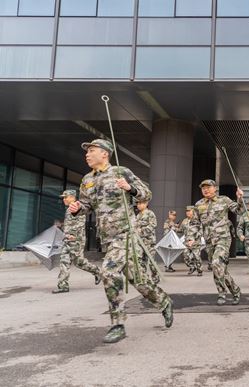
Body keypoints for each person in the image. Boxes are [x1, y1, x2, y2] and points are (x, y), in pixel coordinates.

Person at [69, 139, 173, 343]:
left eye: (92, 151)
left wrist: (130, 189)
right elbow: (87, 204)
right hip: (107, 238)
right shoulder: (87, 179)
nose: (87, 155)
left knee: (108, 272)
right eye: (87, 152)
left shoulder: (121, 172)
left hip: (125, 235)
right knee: (140, 282)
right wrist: (78, 209)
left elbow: (146, 194)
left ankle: (117, 324)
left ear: (105, 154)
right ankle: (164, 302)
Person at [192, 179, 244, 305]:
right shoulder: (199, 204)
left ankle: (221, 293)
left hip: (223, 238)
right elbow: (195, 223)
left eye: (208, 187)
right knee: (218, 269)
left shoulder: (224, 200)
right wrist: (192, 238)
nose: (206, 189)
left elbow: (239, 211)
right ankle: (235, 290)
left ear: (215, 188)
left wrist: (240, 199)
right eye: (203, 187)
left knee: (216, 263)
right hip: (209, 241)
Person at [52, 190, 101, 294]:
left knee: (79, 262)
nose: (64, 199)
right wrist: (61, 226)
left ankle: (97, 271)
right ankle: (63, 285)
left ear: (72, 197)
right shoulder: (69, 209)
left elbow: (79, 224)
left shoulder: (77, 207)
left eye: (66, 197)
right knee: (64, 261)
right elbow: (70, 224)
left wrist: (73, 235)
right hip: (67, 239)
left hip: (75, 240)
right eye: (63, 198)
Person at [135, 198, 160, 283]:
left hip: (149, 241)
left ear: (146, 204)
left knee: (151, 261)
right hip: (140, 242)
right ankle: (144, 277)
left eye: (140, 203)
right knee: (141, 261)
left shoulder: (150, 213)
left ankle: (155, 276)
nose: (138, 205)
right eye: (137, 203)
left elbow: (153, 225)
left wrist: (141, 231)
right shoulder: (138, 215)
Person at [180, 206, 203, 276]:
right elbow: (181, 230)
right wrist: (173, 228)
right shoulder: (184, 221)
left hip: (195, 242)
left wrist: (194, 240)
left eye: (189, 211)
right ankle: (192, 267)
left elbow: (201, 232)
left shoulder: (197, 220)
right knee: (185, 254)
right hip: (187, 242)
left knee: (197, 257)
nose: (188, 212)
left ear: (193, 212)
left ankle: (199, 270)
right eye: (187, 211)